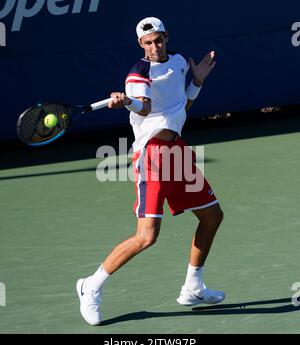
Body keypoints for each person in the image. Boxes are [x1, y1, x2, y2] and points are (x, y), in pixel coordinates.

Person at [76, 17, 224, 326]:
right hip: (152, 155)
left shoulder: (181, 62)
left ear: (166, 37)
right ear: (140, 45)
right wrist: (126, 100)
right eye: (148, 43)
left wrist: (196, 80)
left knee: (212, 216)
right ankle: (91, 285)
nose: (154, 47)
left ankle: (193, 288)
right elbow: (143, 106)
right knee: (147, 236)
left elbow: (182, 107)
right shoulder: (137, 74)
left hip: (177, 150)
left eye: (158, 40)